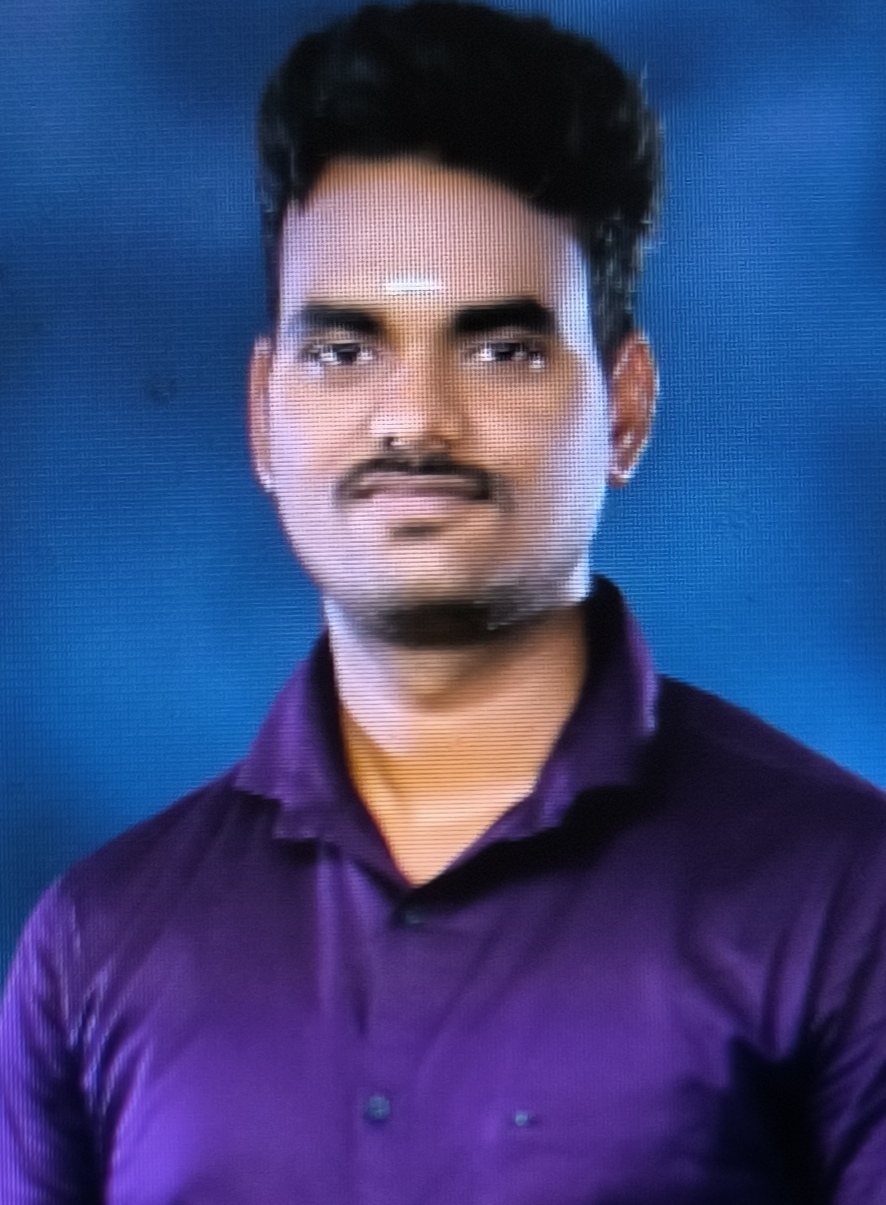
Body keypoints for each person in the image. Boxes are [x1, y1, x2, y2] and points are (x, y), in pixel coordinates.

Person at [2, 2, 886, 1201]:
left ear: (626, 407)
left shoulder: (840, 895)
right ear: (263, 412)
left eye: (499, 349)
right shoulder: (98, 944)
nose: (414, 419)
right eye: (344, 349)